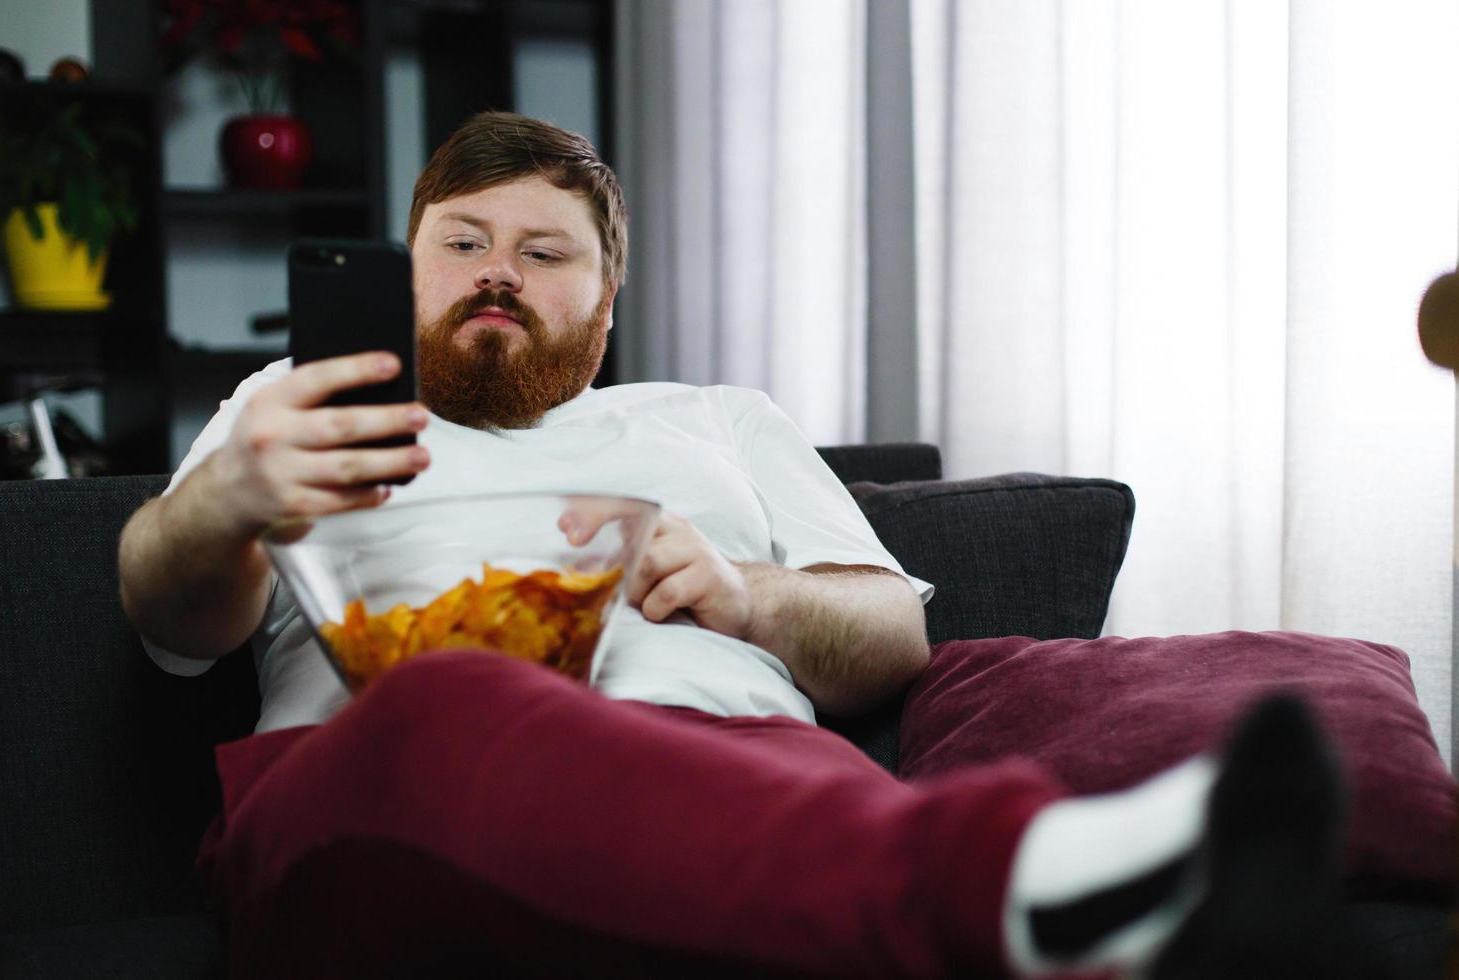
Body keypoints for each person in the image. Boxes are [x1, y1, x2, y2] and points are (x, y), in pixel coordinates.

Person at [118, 111, 1345, 978]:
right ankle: (1025, 889)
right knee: (451, 701)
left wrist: (750, 597)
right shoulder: (296, 400)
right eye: (462, 242)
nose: (498, 273)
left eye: (544, 253)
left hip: (754, 774)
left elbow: (892, 633)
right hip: (376, 787)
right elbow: (169, 624)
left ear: (607, 301)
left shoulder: (716, 420)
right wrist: (226, 499)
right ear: (409, 263)